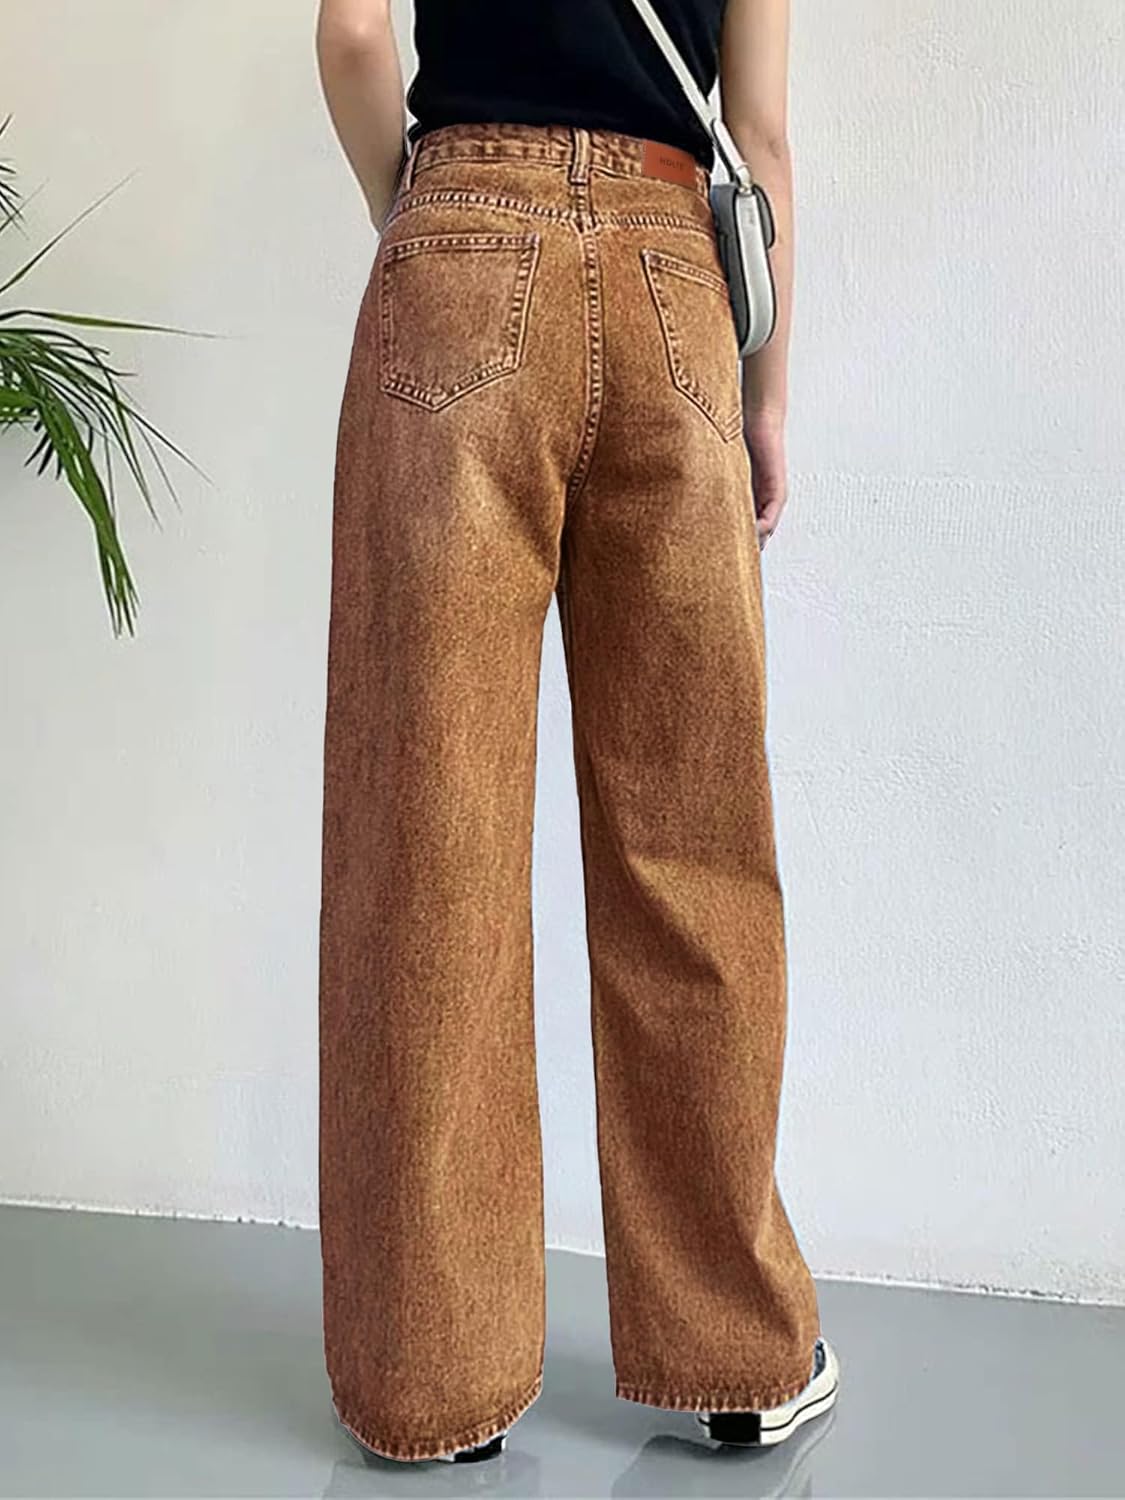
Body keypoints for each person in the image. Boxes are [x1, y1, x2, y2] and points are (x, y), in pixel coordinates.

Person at [315, 0, 840, 1465]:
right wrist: (768, 398)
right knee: (694, 848)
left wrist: (425, 222)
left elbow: (352, 36)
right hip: (676, 282)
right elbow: (762, 138)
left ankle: (429, 1383)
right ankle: (738, 1352)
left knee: (430, 838)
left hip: (457, 251)